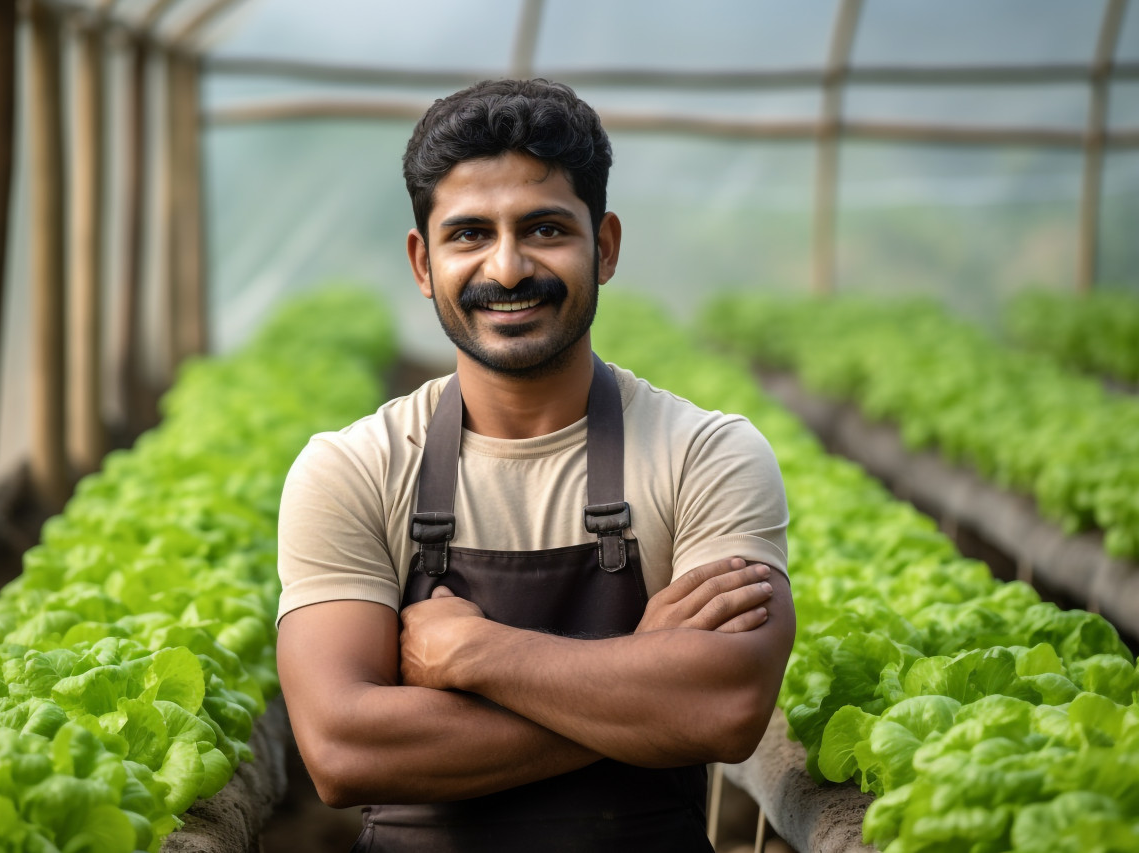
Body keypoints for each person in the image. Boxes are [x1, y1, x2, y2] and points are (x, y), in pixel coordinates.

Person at [274, 78, 794, 852]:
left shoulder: (706, 454)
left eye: (545, 228)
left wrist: (472, 654)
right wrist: (642, 683)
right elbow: (344, 750)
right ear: (422, 262)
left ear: (605, 246)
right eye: (469, 234)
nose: (508, 268)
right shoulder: (352, 468)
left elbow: (724, 709)